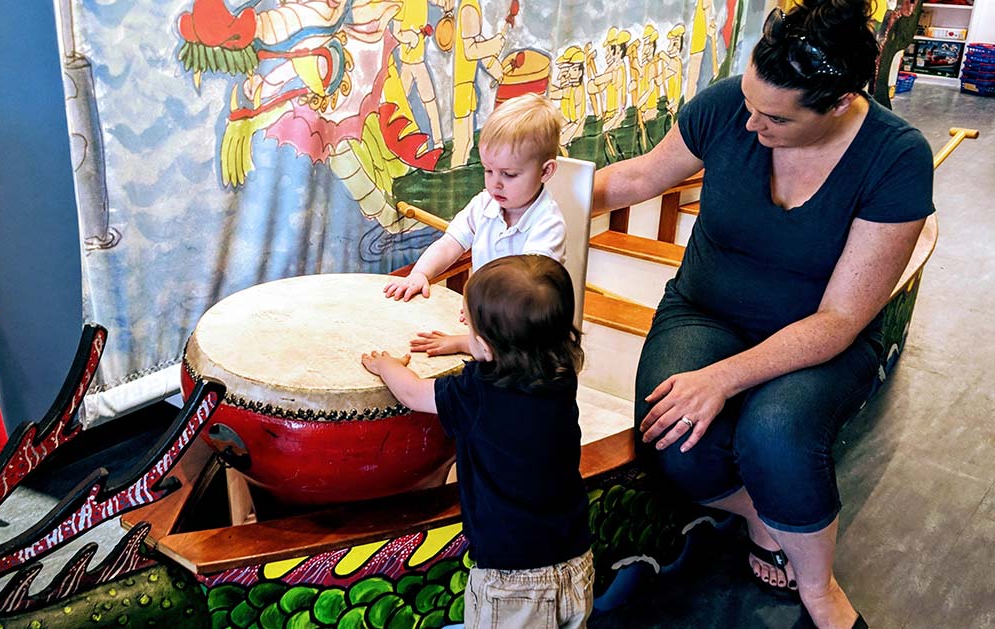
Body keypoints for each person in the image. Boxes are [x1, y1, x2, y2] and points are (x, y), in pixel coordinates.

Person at [591, 1, 934, 628]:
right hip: (704, 309)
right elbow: (636, 178)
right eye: (748, 102)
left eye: (773, 116)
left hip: (821, 338)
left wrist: (721, 378)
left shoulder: (895, 156)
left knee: (775, 432)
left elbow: (838, 320)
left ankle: (818, 584)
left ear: (837, 103)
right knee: (672, 434)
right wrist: (532, 190)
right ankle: (764, 514)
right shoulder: (731, 107)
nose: (749, 124)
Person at [362, 255, 593, 628]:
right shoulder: (561, 373)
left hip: (511, 579)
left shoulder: (476, 393)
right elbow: (521, 348)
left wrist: (388, 366)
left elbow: (413, 395)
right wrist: (464, 343)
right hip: (575, 559)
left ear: (488, 347)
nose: (465, 328)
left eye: (470, 327)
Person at [384, 92, 567, 357]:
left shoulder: (547, 224)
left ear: (546, 171)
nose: (496, 183)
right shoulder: (484, 205)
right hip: (485, 320)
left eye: (509, 174)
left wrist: (474, 323)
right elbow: (450, 243)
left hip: (525, 338)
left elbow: (525, 295)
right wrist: (420, 273)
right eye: (488, 170)